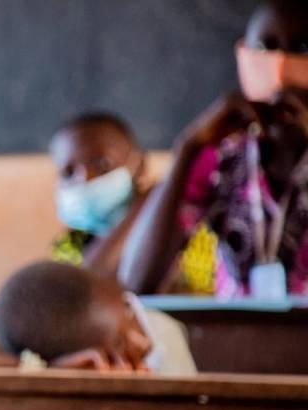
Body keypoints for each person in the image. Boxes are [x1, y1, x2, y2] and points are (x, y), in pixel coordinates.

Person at [121, 0, 308, 298]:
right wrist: (188, 148)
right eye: (264, 48)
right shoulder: (222, 156)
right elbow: (137, 283)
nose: (280, 64)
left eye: (302, 49)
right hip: (234, 328)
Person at [0, 261, 197, 375]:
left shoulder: (160, 329)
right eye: (120, 342)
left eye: (129, 311)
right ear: (84, 364)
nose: (144, 343)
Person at [49, 112, 152, 277]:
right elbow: (88, 281)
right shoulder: (70, 245)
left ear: (139, 165)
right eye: (68, 172)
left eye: (102, 164)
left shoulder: (178, 228)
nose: (84, 179)